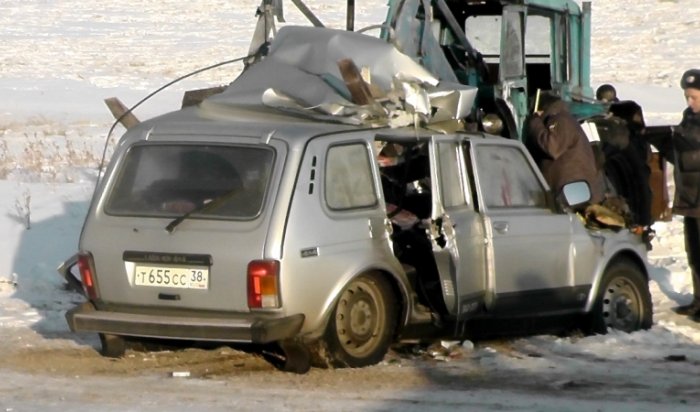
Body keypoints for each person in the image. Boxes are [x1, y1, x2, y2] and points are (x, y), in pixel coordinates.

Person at [643, 69, 700, 319]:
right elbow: (680, 155)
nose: (689, 102)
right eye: (687, 97)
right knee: (694, 252)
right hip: (690, 198)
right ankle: (699, 301)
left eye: (694, 97)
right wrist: (664, 142)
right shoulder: (688, 118)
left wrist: (679, 139)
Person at [526, 91, 606, 206]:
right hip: (570, 193)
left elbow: (553, 147)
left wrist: (535, 122)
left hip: (573, 195)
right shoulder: (564, 119)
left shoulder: (560, 120)